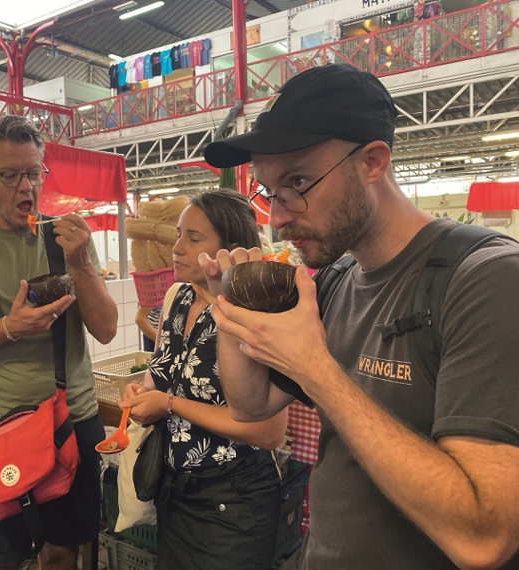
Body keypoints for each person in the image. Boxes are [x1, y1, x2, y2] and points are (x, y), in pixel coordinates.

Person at [201, 65, 519, 569]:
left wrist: (317, 369)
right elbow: (250, 405)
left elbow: (483, 536)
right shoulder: (335, 280)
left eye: (298, 182)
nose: (278, 218)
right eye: (269, 193)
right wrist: (230, 311)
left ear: (372, 162)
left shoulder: (489, 279)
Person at [0, 115, 118, 570]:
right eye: (10, 175)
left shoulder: (63, 238)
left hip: (72, 418)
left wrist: (83, 263)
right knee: (8, 556)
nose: (25, 187)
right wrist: (9, 328)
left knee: (64, 552)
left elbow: (106, 329)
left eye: (33, 172)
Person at [120, 189, 288, 570]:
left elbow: (268, 432)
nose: (177, 248)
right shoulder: (176, 296)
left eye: (193, 239)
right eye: (179, 234)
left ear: (230, 249)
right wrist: (145, 391)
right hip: (175, 488)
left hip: (235, 500)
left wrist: (169, 405)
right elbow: (163, 368)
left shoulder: (254, 309)